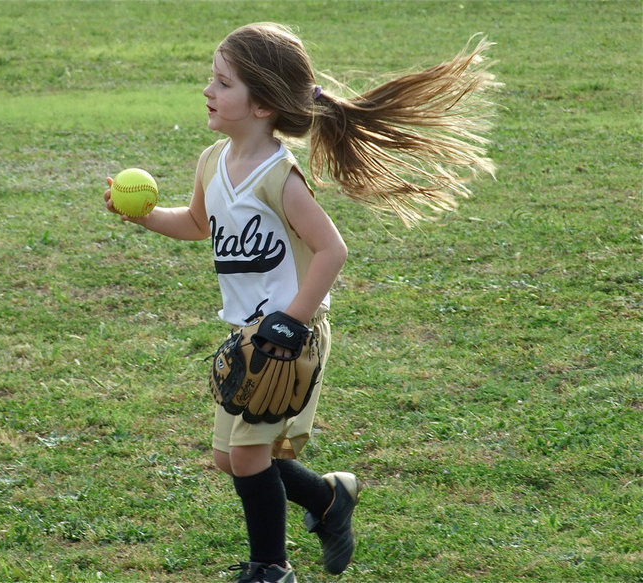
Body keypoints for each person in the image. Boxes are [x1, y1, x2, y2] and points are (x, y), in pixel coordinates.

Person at [104, 22, 498, 583]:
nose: (208, 91)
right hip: (249, 336)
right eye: (211, 79)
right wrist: (143, 216)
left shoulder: (279, 177)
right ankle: (330, 498)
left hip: (292, 336)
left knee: (247, 457)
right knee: (232, 458)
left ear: (262, 103)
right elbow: (195, 222)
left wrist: (292, 321)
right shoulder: (212, 161)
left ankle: (271, 567)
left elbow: (332, 249)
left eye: (223, 82)